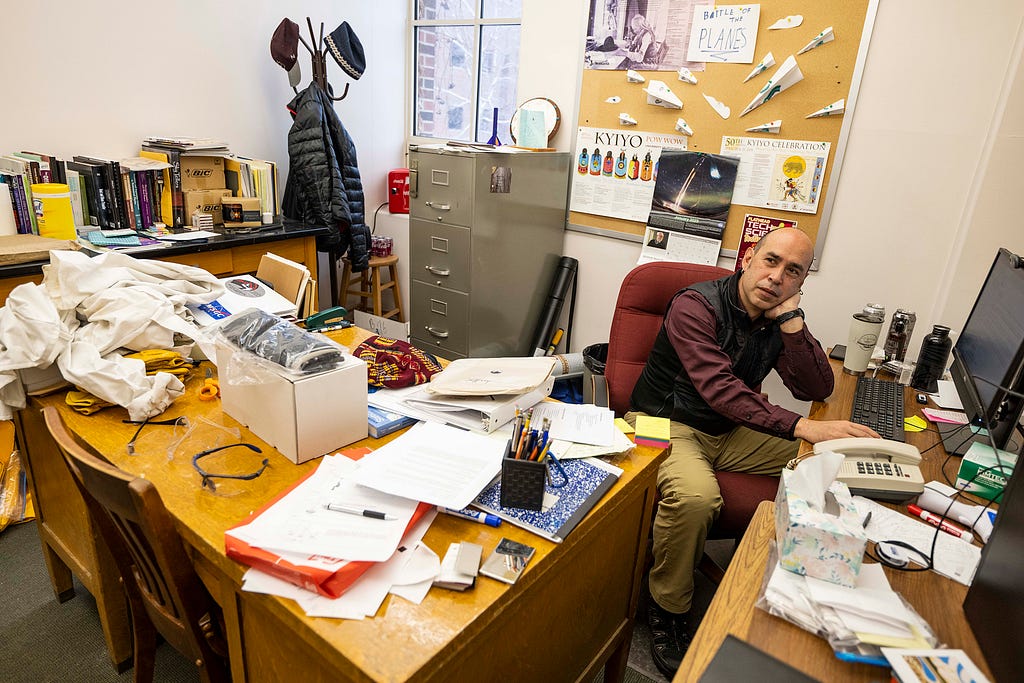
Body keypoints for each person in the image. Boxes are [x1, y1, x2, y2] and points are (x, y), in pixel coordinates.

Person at [626, 228, 880, 677]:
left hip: (728, 429)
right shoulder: (695, 305)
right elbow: (720, 389)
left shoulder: (776, 318)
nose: (775, 277)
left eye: (792, 271)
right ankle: (668, 607)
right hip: (661, 422)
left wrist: (793, 321)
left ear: (800, 284)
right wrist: (803, 425)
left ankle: (808, 583)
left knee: (828, 460)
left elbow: (816, 386)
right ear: (749, 257)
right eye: (771, 261)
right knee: (696, 498)